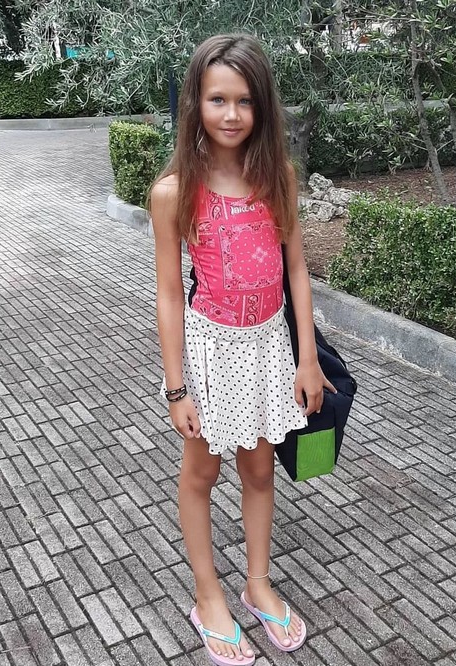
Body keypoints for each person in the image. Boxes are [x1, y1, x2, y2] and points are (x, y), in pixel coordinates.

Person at [150, 33, 334, 666]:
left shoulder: (277, 177)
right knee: (202, 473)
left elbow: (297, 270)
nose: (231, 114)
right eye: (217, 99)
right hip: (211, 353)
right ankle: (208, 596)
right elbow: (168, 295)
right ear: (195, 103)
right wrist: (176, 387)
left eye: (245, 101)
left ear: (263, 107)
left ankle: (257, 583)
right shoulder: (175, 191)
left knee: (259, 470)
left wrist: (306, 358)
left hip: (270, 349)